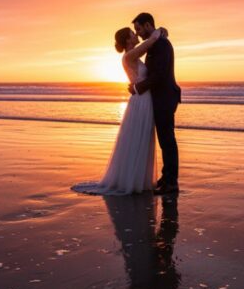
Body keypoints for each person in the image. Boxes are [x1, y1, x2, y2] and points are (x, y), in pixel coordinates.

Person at [72, 24, 168, 195]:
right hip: (141, 101)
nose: (136, 34)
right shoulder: (130, 55)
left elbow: (149, 46)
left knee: (142, 139)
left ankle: (138, 180)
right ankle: (132, 182)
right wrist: (159, 30)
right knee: (139, 138)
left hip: (143, 99)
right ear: (128, 40)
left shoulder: (133, 54)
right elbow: (152, 40)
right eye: (133, 33)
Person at [128, 13, 181, 194]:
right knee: (164, 140)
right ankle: (166, 177)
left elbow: (158, 75)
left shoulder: (161, 45)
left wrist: (137, 88)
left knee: (167, 140)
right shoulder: (154, 43)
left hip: (165, 98)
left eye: (139, 29)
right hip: (160, 98)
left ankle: (171, 182)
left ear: (148, 25)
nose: (138, 33)